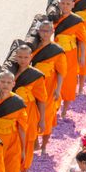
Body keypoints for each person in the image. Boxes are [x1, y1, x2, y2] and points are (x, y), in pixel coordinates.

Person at [31, 19, 67, 150]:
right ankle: (35, 143)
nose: (45, 34)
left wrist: (58, 89)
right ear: (39, 32)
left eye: (48, 31)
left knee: (47, 116)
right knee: (33, 115)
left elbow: (61, 72)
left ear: (52, 31)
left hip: (49, 88)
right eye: (42, 31)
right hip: (34, 87)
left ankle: (44, 145)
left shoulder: (56, 51)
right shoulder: (34, 48)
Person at [13, 43, 47, 172]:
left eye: (26, 57)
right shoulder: (12, 72)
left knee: (27, 147)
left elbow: (42, 99)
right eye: (20, 57)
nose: (23, 60)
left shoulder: (35, 75)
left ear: (31, 57)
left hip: (30, 114)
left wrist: (42, 120)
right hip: (13, 114)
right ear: (16, 57)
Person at [53, 0, 86, 117]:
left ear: (73, 5)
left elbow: (82, 41)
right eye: (63, 3)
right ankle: (54, 109)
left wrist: (82, 56)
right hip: (55, 55)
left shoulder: (77, 21)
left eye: (68, 4)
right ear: (59, 4)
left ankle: (64, 112)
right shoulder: (54, 18)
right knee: (54, 81)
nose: (65, 6)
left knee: (69, 82)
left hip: (70, 55)